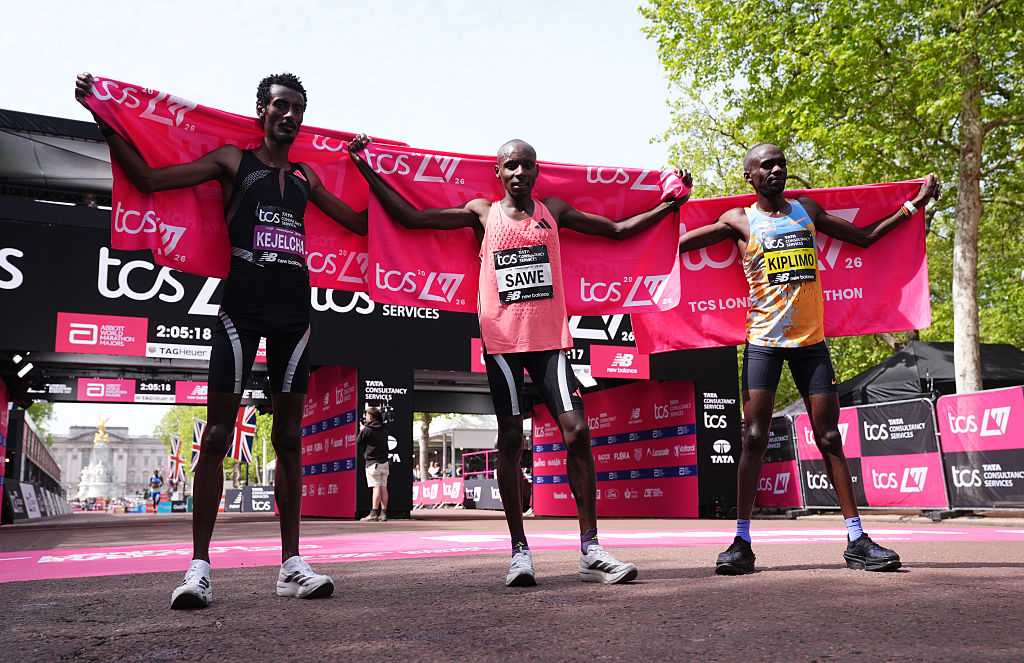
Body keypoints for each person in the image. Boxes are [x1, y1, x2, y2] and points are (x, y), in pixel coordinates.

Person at [76, 72, 369, 608]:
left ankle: (291, 566)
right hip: (241, 311)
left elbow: (362, 222)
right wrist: (105, 116)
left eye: (297, 108)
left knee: (287, 441)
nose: (289, 115)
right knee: (215, 437)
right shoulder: (234, 162)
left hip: (294, 317)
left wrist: (373, 166)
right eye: (280, 105)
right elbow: (147, 179)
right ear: (261, 110)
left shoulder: (306, 177)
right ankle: (198, 569)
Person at [349, 136, 690, 587]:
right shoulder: (482, 214)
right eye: (510, 166)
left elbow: (618, 230)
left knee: (579, 432)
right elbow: (411, 218)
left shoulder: (554, 211)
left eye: (526, 166)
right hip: (503, 342)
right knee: (510, 438)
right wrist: (367, 166)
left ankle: (590, 547)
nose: (518, 173)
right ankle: (519, 552)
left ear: (536, 170)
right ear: (498, 171)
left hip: (550, 341)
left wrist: (671, 205)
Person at [677, 143, 939, 574]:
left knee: (830, 437)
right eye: (766, 166)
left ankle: (857, 539)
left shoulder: (807, 211)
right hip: (763, 343)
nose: (776, 169)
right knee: (755, 438)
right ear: (750, 177)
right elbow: (676, 248)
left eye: (780, 163)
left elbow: (867, 238)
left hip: (810, 344)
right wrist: (674, 204)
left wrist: (914, 205)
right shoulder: (739, 221)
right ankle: (740, 542)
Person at [357, 406, 390, 522]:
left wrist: (362, 429)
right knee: (383, 487)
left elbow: (358, 441)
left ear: (370, 416)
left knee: (376, 487)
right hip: (384, 462)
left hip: (372, 463)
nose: (365, 417)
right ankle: (384, 513)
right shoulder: (384, 428)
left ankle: (374, 513)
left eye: (366, 415)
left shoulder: (367, 429)